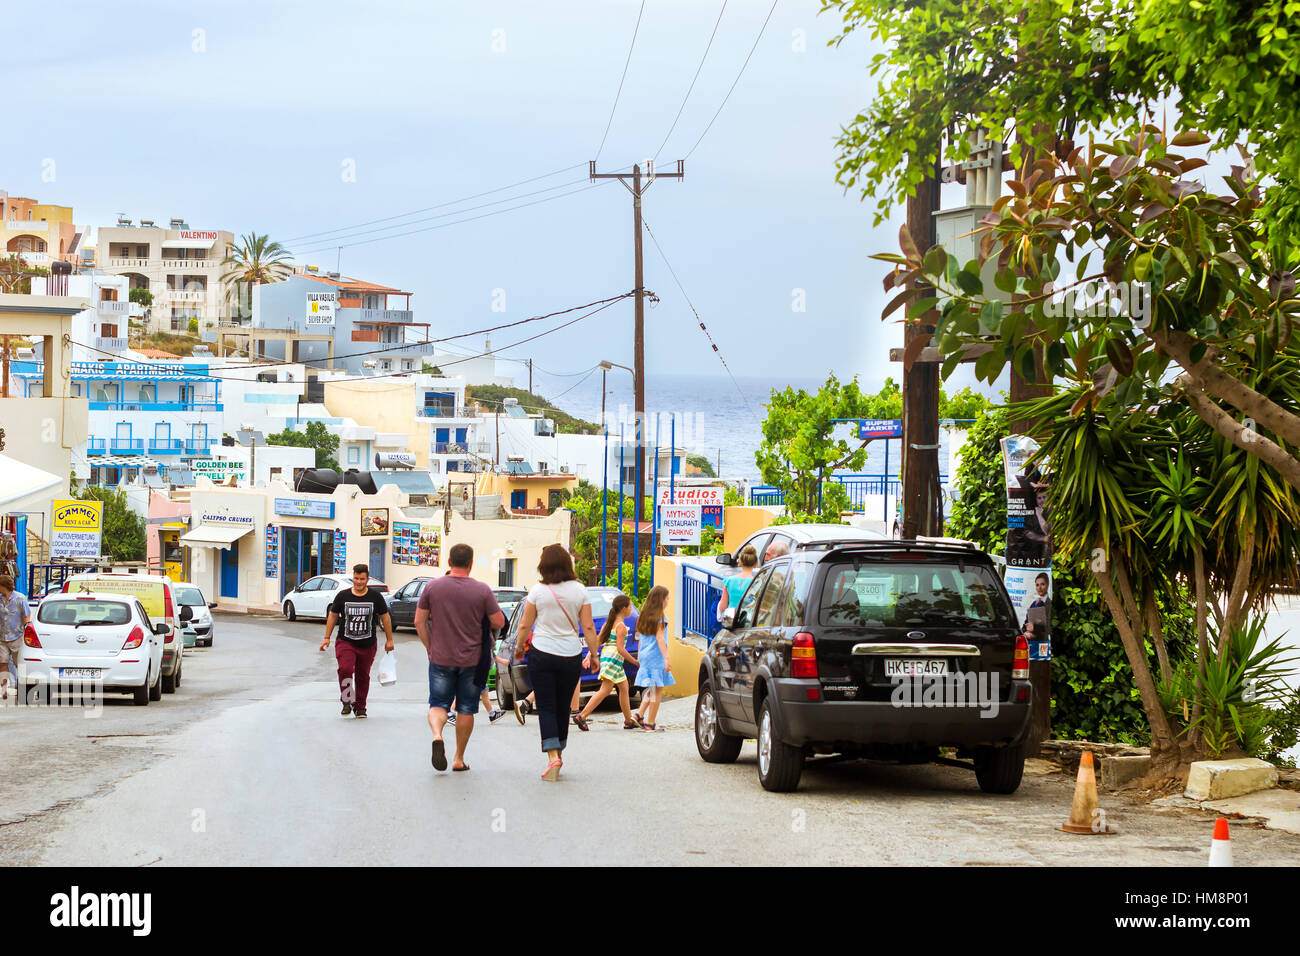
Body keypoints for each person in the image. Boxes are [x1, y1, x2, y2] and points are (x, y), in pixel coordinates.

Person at [416, 544, 505, 773]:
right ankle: (458, 758)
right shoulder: (482, 590)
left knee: (438, 705)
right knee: (466, 708)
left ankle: (437, 736)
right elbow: (499, 622)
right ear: (471, 563)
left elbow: (418, 621)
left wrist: (430, 646)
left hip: (440, 658)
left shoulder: (432, 587)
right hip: (472, 661)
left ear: (448, 562)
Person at [513, 544, 599, 781]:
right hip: (571, 654)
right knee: (563, 706)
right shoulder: (580, 590)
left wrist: (520, 648)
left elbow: (524, 625)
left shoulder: (537, 592)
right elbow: (589, 627)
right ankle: (558, 750)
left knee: (547, 706)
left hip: (542, 653)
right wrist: (594, 655)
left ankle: (553, 758)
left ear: (544, 565)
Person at [319, 565, 394, 719]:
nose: (358, 582)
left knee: (363, 675)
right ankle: (347, 700)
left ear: (367, 579)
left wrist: (389, 640)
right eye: (356, 578)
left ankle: (360, 707)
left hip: (368, 644)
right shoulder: (342, 596)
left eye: (362, 579)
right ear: (353, 578)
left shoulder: (375, 597)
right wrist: (327, 637)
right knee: (345, 669)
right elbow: (333, 616)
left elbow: (385, 617)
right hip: (346, 641)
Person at [577, 594, 641, 729]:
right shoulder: (621, 626)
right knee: (605, 690)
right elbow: (620, 649)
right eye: (630, 606)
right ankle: (582, 716)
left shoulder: (609, 623)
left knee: (624, 687)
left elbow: (599, 640)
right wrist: (634, 661)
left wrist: (589, 655)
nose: (631, 609)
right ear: (624, 609)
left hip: (609, 657)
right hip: (613, 658)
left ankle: (628, 720)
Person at [633, 585, 674, 732]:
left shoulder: (643, 616)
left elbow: (640, 638)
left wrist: (639, 655)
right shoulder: (661, 617)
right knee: (657, 691)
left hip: (645, 655)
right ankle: (650, 723)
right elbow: (660, 638)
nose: (668, 600)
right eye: (667, 598)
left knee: (651, 689)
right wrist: (667, 659)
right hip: (656, 657)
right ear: (662, 600)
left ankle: (639, 714)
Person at [0, 574, 32, 697]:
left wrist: (26, 629)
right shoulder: (0, 599)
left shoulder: (20, 598)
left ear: (3, 586)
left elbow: (26, 615)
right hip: (2, 637)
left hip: (17, 636)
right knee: (2, 663)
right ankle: (4, 689)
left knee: (19, 663)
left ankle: (22, 688)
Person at [716, 545, 758, 622]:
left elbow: (723, 606)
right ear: (756, 563)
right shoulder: (757, 583)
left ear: (740, 562)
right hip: (748, 621)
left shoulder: (729, 581)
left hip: (731, 620)